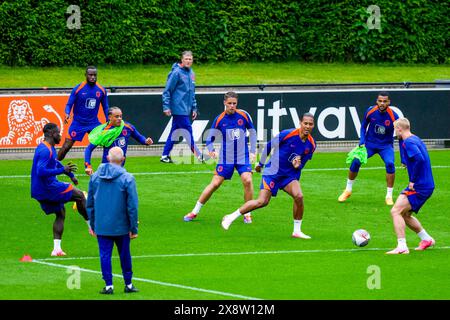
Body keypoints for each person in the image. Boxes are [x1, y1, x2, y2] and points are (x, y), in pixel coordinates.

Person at [221, 113, 316, 238]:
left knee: (299, 196)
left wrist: (298, 165)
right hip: (273, 172)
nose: (307, 126)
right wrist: (260, 163)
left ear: (313, 126)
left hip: (289, 176)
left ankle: (296, 231)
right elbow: (269, 146)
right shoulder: (287, 134)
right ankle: (230, 217)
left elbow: (302, 163)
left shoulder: (311, 145)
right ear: (300, 123)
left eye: (310, 124)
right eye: (305, 123)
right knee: (262, 201)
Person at [184, 92, 257, 223]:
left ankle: (247, 213)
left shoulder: (244, 116)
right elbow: (209, 139)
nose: (232, 106)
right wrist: (211, 150)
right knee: (215, 183)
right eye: (229, 103)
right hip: (226, 157)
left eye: (234, 103)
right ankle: (194, 212)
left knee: (248, 180)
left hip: (242, 156)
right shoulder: (219, 119)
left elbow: (252, 132)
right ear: (224, 103)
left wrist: (252, 151)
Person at [31, 123, 93, 257]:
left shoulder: (48, 147)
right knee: (80, 196)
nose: (60, 135)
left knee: (60, 213)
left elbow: (54, 162)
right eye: (58, 133)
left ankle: (56, 249)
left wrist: (70, 174)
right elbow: (40, 171)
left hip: (40, 190)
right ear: (52, 134)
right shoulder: (44, 150)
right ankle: (91, 227)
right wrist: (62, 170)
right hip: (48, 188)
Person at [87, 147, 139, 294]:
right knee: (125, 254)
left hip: (102, 225)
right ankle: (128, 284)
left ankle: (109, 285)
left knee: (104, 255)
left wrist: (93, 224)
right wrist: (133, 228)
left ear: (108, 158)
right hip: (122, 225)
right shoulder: (128, 178)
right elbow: (132, 206)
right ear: (123, 159)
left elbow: (89, 204)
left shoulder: (95, 177)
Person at [338, 91, 399, 205]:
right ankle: (348, 190)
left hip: (385, 146)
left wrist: (404, 158)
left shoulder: (394, 116)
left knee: (390, 164)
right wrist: (362, 141)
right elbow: (363, 126)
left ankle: (389, 196)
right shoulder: (370, 111)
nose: (382, 103)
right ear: (377, 101)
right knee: (356, 161)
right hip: (369, 144)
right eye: (380, 101)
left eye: (385, 101)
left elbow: (400, 135)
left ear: (389, 102)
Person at [386, 118, 435, 254]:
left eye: (396, 129)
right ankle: (426, 239)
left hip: (420, 186)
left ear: (400, 129)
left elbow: (419, 158)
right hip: (426, 184)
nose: (395, 131)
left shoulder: (409, 142)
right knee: (405, 214)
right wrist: (405, 161)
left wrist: (412, 180)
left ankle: (402, 246)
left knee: (395, 211)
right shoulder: (415, 139)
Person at [160, 51, 204, 163]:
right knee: (187, 131)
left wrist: (194, 108)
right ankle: (199, 155)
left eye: (190, 59)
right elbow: (167, 91)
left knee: (174, 132)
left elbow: (192, 92)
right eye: (186, 59)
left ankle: (164, 155)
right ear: (182, 60)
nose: (188, 61)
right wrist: (166, 106)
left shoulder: (192, 73)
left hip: (186, 108)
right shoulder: (176, 73)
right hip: (178, 108)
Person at [57, 65, 109, 161]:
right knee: (66, 146)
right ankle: (54, 165)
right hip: (78, 123)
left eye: (95, 75)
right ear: (85, 75)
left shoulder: (101, 90)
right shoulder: (78, 89)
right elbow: (69, 104)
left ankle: (107, 165)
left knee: (108, 141)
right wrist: (67, 113)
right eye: (90, 75)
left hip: (93, 123)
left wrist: (108, 120)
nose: (93, 77)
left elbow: (105, 107)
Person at [84, 107, 153, 175]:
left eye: (120, 116)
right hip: (106, 168)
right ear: (110, 117)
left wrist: (146, 141)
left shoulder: (127, 127)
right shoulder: (103, 132)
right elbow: (89, 149)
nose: (119, 118)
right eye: (116, 117)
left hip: (120, 168)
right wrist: (88, 166)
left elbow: (138, 137)